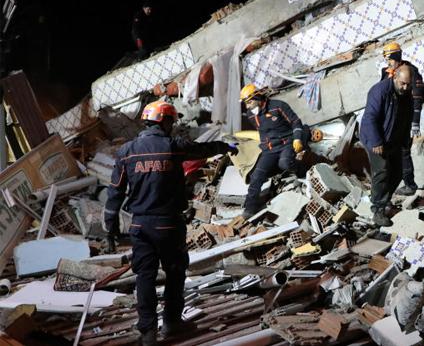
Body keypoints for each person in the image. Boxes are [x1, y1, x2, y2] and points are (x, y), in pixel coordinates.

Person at [104, 100, 238, 345]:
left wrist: (110, 228)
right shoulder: (173, 147)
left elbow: (114, 192)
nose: (172, 126)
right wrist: (226, 146)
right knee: (175, 275)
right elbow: (202, 150)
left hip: (140, 226)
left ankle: (148, 332)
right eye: (171, 122)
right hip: (169, 225)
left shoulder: (127, 151)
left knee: (145, 277)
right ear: (164, 121)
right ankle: (172, 323)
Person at [360, 65, 415, 227]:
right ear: (395, 77)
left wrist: (405, 140)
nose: (405, 87)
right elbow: (370, 117)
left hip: (394, 139)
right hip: (375, 138)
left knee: (397, 173)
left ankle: (381, 199)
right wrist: (376, 141)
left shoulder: (406, 94)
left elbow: (407, 117)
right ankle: (378, 209)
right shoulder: (379, 91)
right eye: (403, 83)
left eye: (408, 84)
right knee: (382, 171)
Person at [240, 84, 304, 218]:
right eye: (246, 104)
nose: (248, 106)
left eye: (249, 102)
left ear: (258, 97)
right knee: (256, 177)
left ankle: (301, 170)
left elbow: (296, 122)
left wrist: (297, 139)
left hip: (286, 143)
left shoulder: (278, 106)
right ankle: (250, 208)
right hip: (269, 149)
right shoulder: (251, 115)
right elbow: (262, 133)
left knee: (285, 163)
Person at [379, 42, 424, 196]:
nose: (388, 62)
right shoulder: (386, 73)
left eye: (390, 59)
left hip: (405, 119)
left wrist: (415, 122)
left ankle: (410, 185)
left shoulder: (411, 72)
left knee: (404, 152)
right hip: (390, 120)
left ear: (397, 56)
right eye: (387, 60)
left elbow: (417, 97)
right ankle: (391, 184)